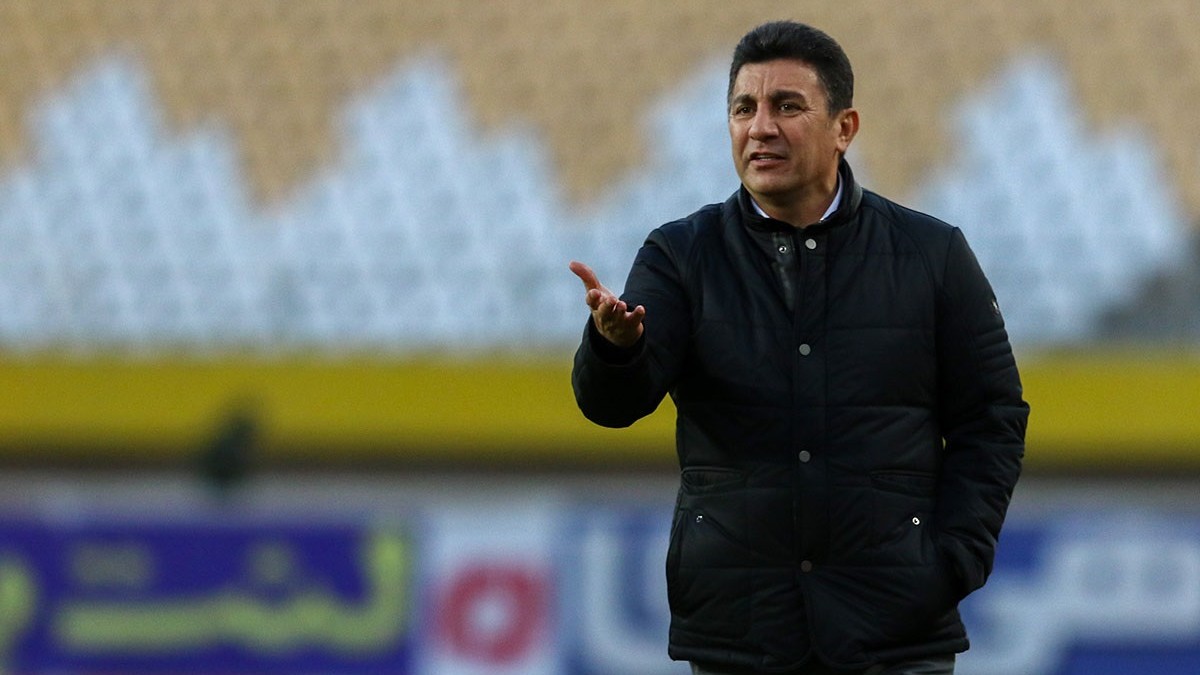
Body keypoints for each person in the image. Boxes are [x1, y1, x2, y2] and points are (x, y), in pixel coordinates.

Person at [569, 20, 1028, 675]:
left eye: (787, 106)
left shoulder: (932, 255)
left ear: (845, 128)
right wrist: (616, 349)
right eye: (743, 109)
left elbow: (992, 418)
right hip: (738, 635)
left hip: (894, 635)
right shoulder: (681, 254)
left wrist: (952, 559)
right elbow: (613, 406)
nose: (761, 127)